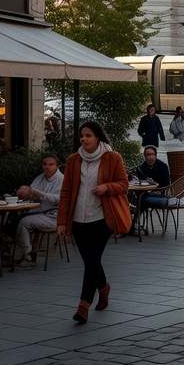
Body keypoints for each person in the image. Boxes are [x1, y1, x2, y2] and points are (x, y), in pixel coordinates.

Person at [56, 120, 131, 323]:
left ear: (98, 137)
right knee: (91, 261)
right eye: (82, 136)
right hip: (78, 220)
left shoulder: (112, 157)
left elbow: (123, 184)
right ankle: (104, 287)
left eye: (88, 135)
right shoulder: (74, 160)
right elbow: (66, 191)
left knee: (91, 260)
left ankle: (84, 305)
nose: (84, 139)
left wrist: (107, 187)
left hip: (102, 218)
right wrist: (62, 221)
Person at [11, 154, 63, 265]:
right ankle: (25, 251)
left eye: (51, 164)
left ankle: (27, 255)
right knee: (12, 220)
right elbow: (32, 194)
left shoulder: (61, 180)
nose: (47, 167)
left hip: (54, 216)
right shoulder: (39, 178)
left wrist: (37, 193)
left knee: (24, 222)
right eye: (44, 164)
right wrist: (24, 195)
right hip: (38, 212)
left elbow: (58, 200)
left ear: (57, 166)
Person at [131, 146, 171, 217]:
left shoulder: (163, 166)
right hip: (144, 193)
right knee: (134, 198)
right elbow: (139, 183)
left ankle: (134, 220)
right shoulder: (141, 168)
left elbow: (167, 185)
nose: (150, 156)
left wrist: (155, 184)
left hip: (159, 194)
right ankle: (133, 218)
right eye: (148, 154)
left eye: (152, 154)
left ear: (155, 155)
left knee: (140, 201)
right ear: (144, 156)